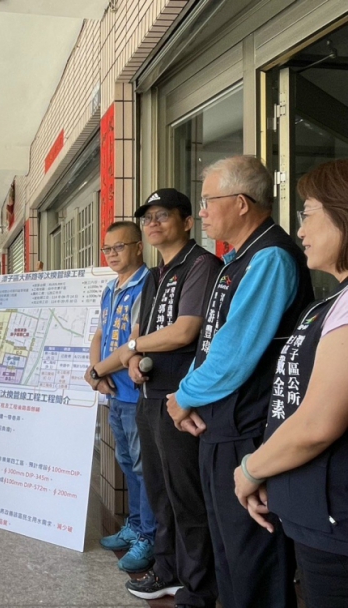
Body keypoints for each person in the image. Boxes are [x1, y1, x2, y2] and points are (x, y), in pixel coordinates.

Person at [167, 156, 313, 608]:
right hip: (223, 427)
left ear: (242, 203)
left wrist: (183, 396)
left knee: (254, 563)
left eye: (208, 201)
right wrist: (187, 397)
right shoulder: (238, 259)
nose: (202, 212)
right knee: (230, 554)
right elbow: (213, 345)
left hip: (249, 432)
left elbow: (235, 355)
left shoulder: (270, 257)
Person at [234, 159, 348, 608]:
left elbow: (318, 423)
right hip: (319, 515)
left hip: (336, 526)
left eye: (308, 212)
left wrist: (250, 470)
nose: (300, 229)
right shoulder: (332, 301)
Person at [119, 189, 221, 606]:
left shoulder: (200, 265)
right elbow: (140, 332)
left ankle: (197, 585)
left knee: (185, 496)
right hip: (149, 395)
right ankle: (167, 569)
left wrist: (132, 348)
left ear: (187, 222)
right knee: (159, 491)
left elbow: (185, 330)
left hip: (181, 399)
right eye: (148, 218)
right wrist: (133, 356)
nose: (153, 224)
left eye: (163, 215)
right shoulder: (155, 274)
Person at [83, 221, 156, 573]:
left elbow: (134, 343)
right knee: (128, 464)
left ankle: (150, 536)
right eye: (107, 249)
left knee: (144, 469)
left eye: (119, 247)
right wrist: (95, 371)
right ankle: (136, 525)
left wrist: (99, 372)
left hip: (138, 393)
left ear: (138, 247)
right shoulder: (111, 288)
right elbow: (100, 333)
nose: (112, 254)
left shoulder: (148, 284)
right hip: (115, 394)